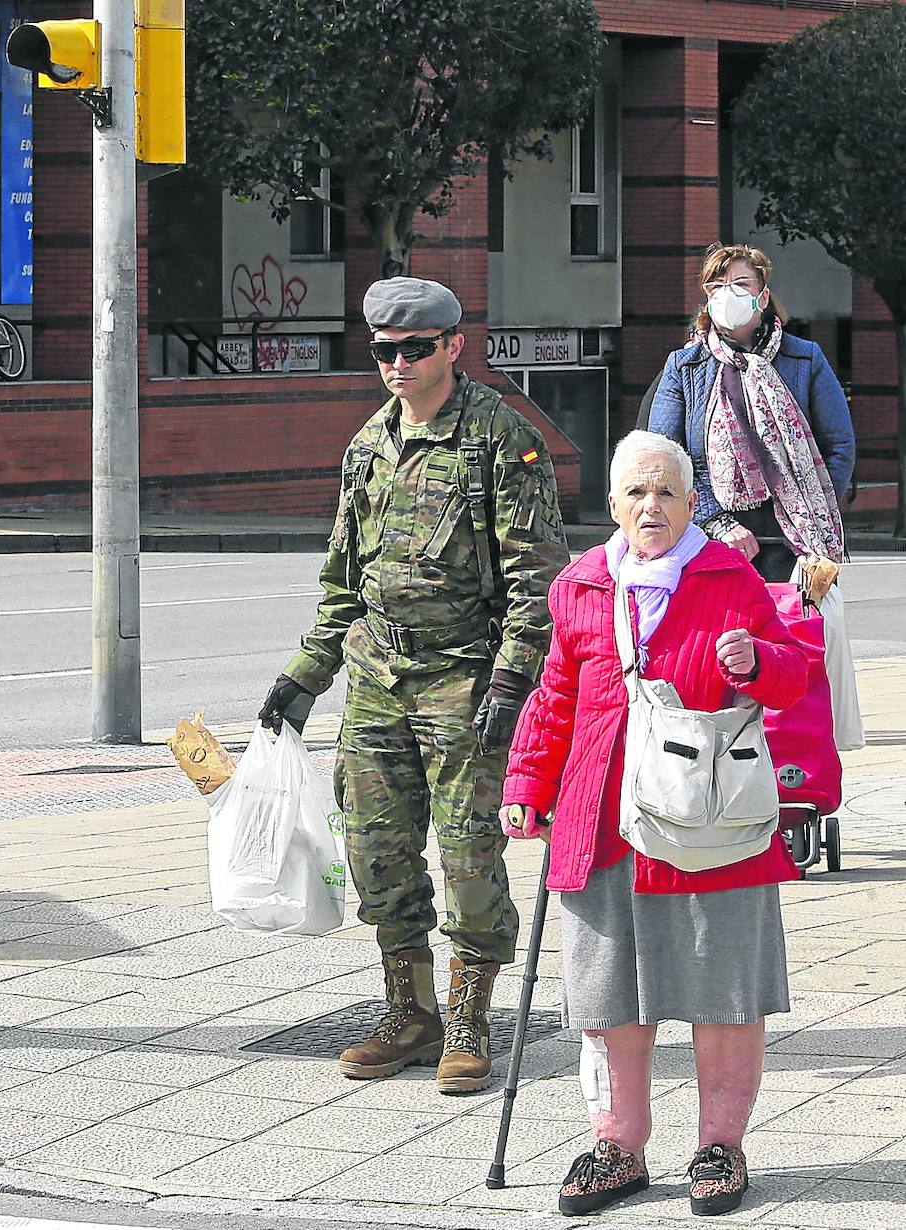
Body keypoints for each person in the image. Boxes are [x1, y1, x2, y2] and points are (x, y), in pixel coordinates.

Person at [260, 276, 569, 1093]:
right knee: (374, 850)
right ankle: (411, 1010)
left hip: (464, 679)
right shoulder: (368, 445)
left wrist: (512, 680)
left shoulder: (502, 439)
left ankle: (471, 1017)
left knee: (470, 855)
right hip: (375, 674)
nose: (399, 364)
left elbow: (538, 577)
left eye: (416, 349)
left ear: (452, 347)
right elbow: (343, 581)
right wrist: (304, 675)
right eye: (385, 351)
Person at [501, 430, 808, 1216]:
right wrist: (528, 783)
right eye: (636, 493)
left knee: (723, 991)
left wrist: (754, 663)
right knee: (609, 999)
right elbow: (556, 698)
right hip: (600, 817)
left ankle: (720, 1147)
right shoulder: (579, 585)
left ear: (691, 502)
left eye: (667, 492)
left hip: (709, 821)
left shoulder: (729, 574)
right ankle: (618, 1145)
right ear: (611, 505)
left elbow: (792, 675)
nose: (651, 506)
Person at [648, 243, 854, 582]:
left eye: (741, 284)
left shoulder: (804, 358)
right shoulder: (684, 366)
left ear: (763, 295)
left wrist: (807, 514)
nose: (729, 295)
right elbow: (664, 457)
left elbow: (839, 447)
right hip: (712, 544)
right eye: (718, 286)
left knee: (787, 633)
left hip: (795, 547)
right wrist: (717, 523)